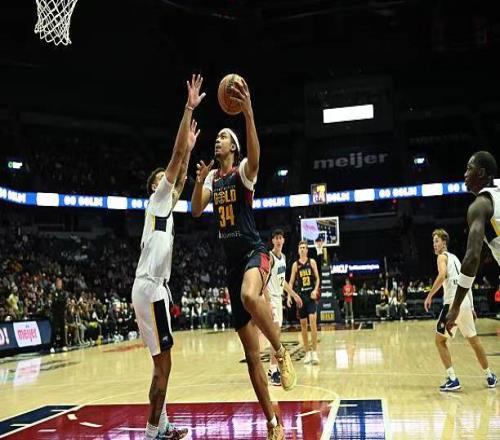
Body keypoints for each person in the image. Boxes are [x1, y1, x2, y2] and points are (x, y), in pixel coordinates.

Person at [191, 78, 295, 440]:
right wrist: (198, 181)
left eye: (223, 137)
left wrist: (248, 112)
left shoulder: (243, 173)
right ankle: (273, 423)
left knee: (251, 296)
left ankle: (281, 351)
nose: (217, 140)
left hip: (255, 252)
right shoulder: (213, 179)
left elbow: (257, 155)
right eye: (217, 137)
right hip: (232, 266)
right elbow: (195, 210)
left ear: (233, 147)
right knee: (251, 358)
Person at [131, 74, 205, 440]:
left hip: (148, 289)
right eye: (165, 178)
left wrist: (189, 149)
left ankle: (162, 426)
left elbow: (182, 172)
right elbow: (175, 160)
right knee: (164, 367)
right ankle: (151, 434)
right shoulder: (157, 197)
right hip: (151, 289)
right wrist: (188, 108)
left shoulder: (165, 208)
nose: (171, 181)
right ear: (155, 185)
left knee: (161, 365)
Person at [444, 151, 498, 388]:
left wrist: (456, 305)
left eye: (469, 168)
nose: (465, 174)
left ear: (482, 173)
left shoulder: (480, 205)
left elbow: (472, 257)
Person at [424, 229, 496, 391]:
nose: (434, 245)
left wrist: (429, 295)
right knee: (474, 341)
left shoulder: (442, 257)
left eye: (436, 241)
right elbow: (466, 282)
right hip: (464, 303)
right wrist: (471, 306)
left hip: (452, 305)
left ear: (444, 242)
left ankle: (452, 379)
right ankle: (490, 376)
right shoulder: (456, 259)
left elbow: (442, 275)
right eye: (433, 242)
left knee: (439, 341)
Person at [266, 229, 303, 386]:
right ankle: (273, 370)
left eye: (280, 238)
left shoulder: (284, 258)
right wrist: (267, 301)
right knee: (275, 337)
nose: (278, 240)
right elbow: (264, 280)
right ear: (272, 241)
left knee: (276, 336)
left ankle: (272, 369)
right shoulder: (270, 258)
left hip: (278, 298)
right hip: (270, 299)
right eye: (276, 238)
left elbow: (283, 282)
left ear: (283, 240)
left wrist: (294, 295)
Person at [289, 241, 321, 365]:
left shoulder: (312, 262)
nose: (302, 249)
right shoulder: (295, 265)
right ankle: (307, 352)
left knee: (313, 322)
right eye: (300, 248)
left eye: (304, 248)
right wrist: (289, 296)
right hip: (301, 297)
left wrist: (315, 290)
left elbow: (317, 278)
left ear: (307, 250)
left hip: (310, 296)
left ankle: (315, 352)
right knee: (303, 325)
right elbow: (291, 282)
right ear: (298, 250)